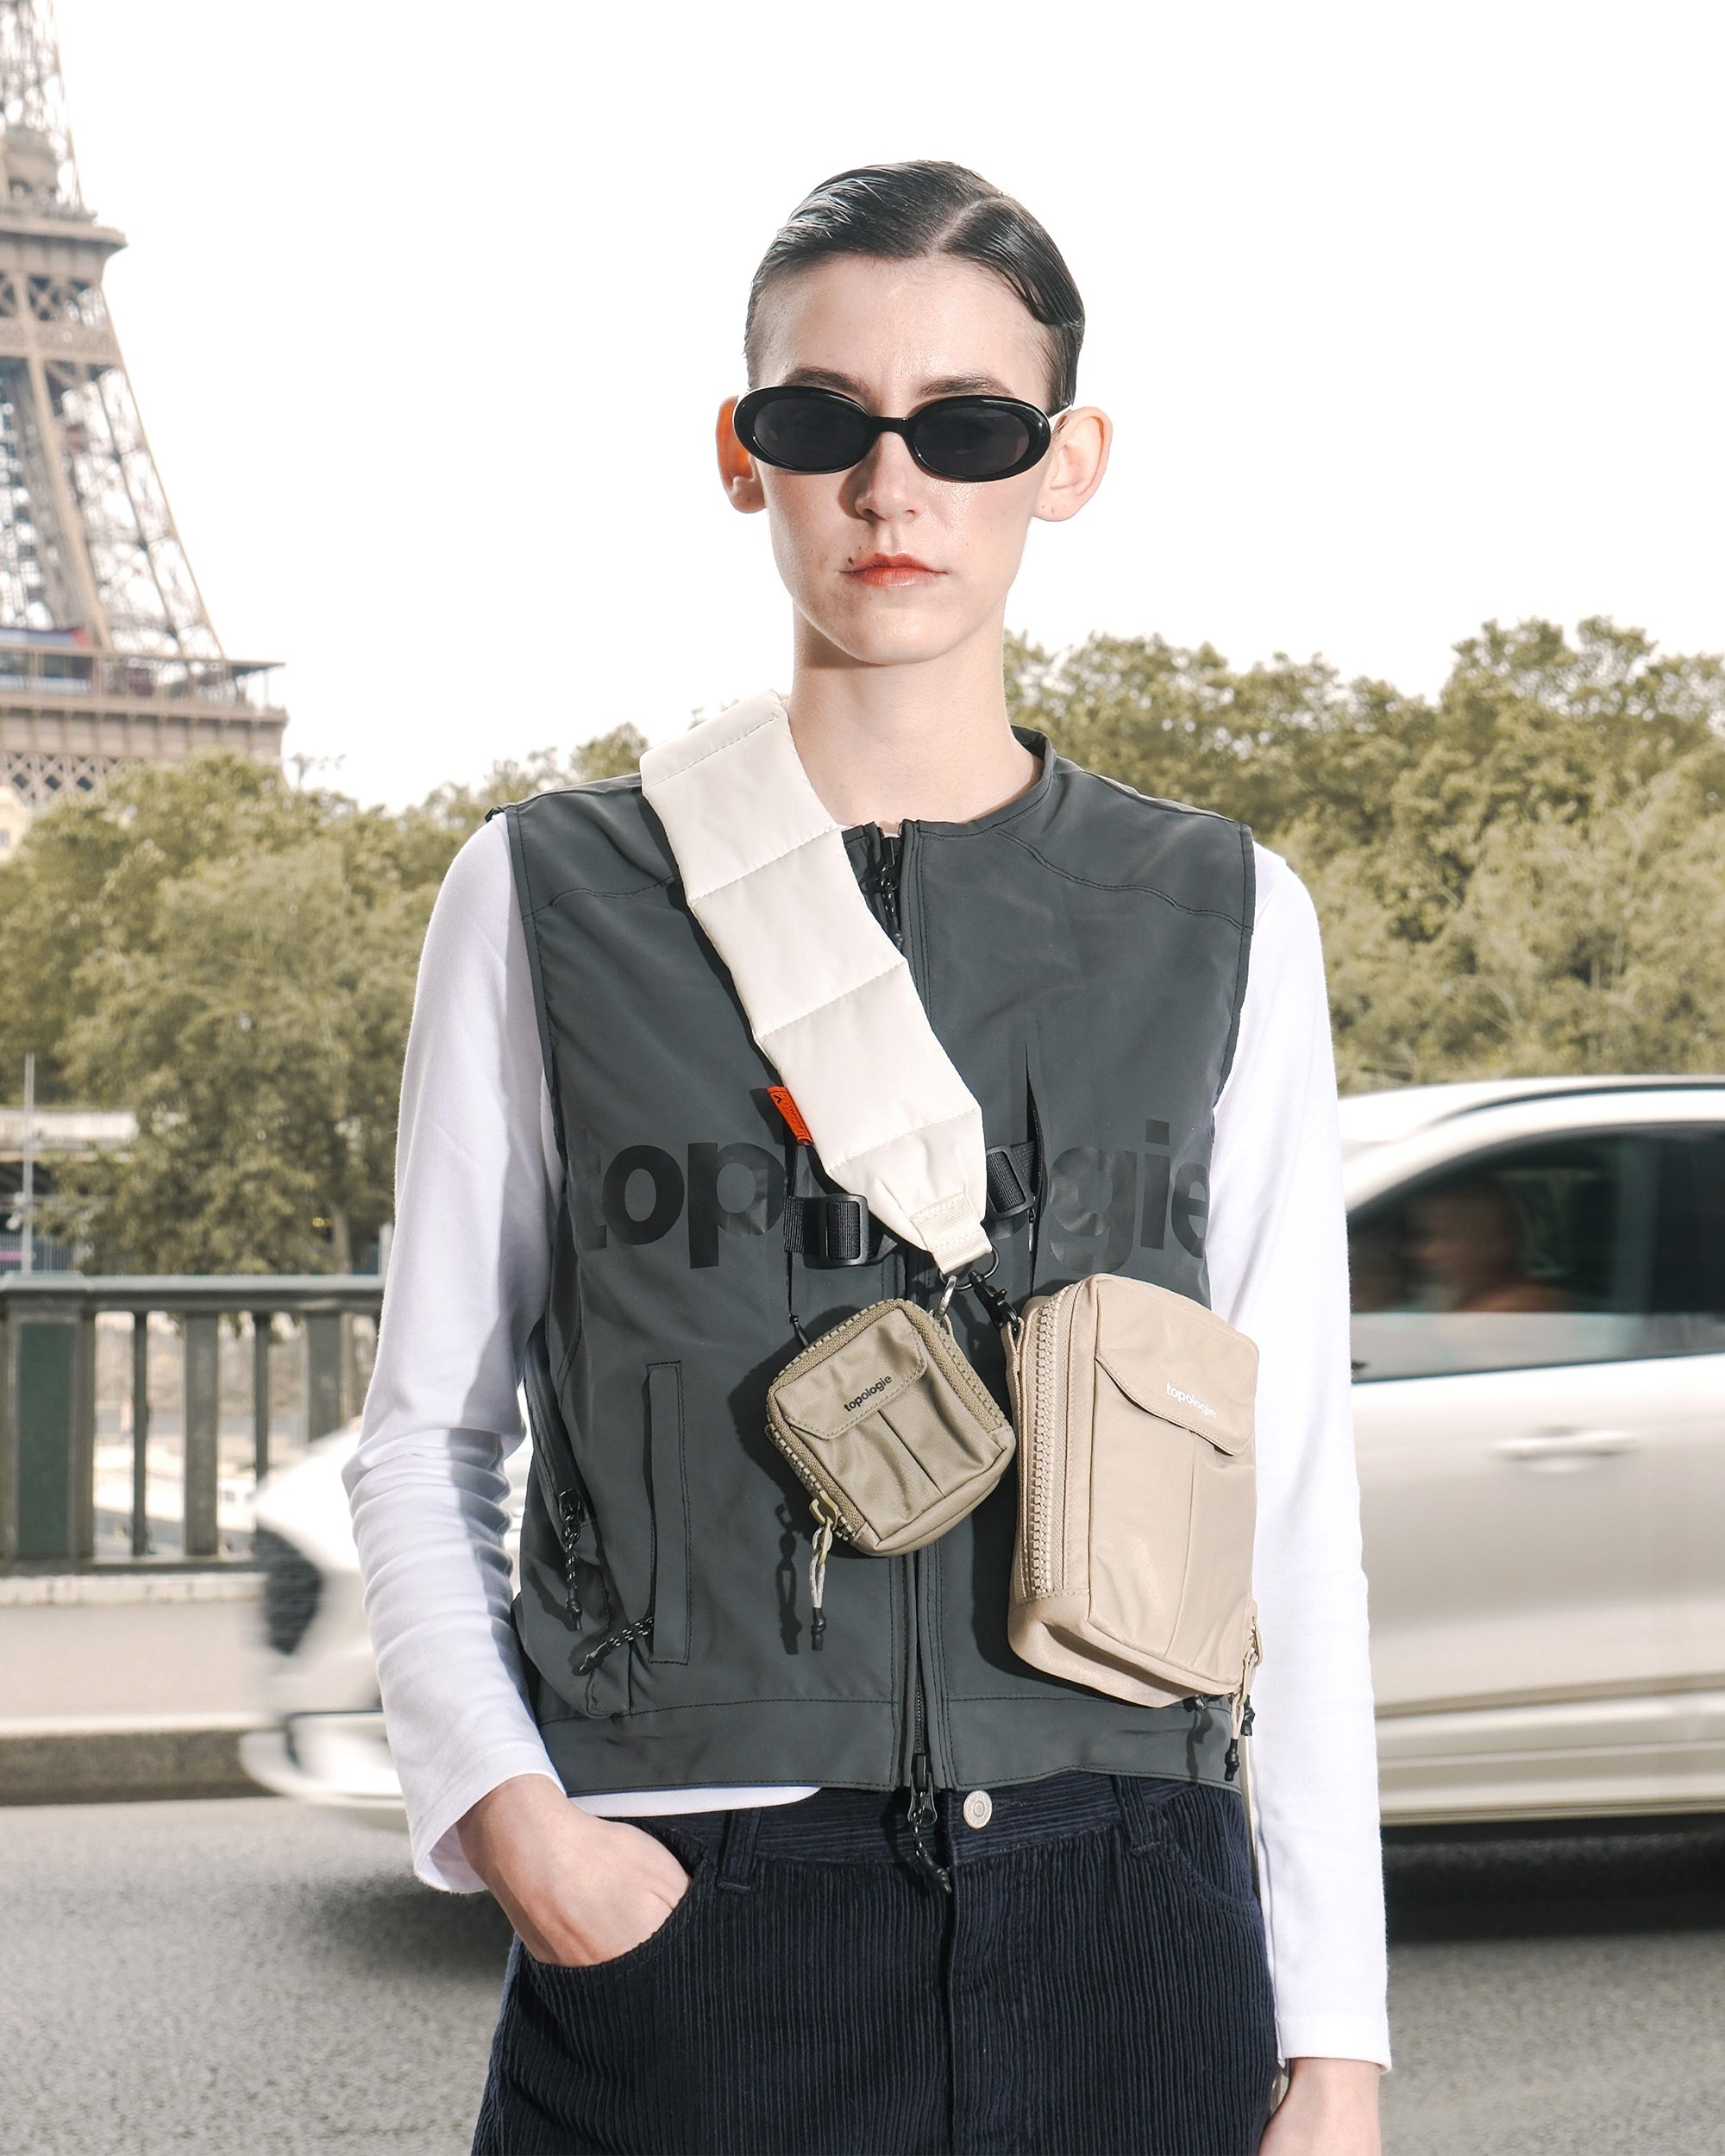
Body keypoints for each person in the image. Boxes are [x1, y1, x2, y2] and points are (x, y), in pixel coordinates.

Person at [347, 160, 1389, 2156]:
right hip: (687, 1926)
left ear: (1065, 463)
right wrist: (520, 1825)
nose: (891, 487)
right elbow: (424, 1430)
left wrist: (1335, 2034)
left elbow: (1291, 1493)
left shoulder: (1227, 912)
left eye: (967, 428)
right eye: (825, 420)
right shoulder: (546, 894)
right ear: (741, 453)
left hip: (1130, 1909)